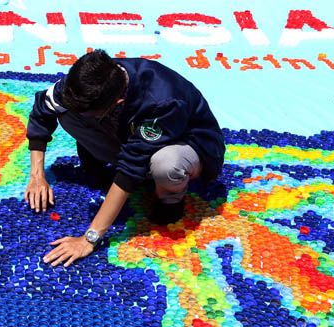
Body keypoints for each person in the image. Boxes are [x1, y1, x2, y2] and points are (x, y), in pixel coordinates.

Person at [24, 49, 225, 267]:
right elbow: (42, 110)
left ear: (118, 102)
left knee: (166, 165)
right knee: (67, 113)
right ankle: (98, 164)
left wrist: (89, 239)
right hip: (130, 134)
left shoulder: (162, 101)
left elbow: (131, 167)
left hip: (188, 145)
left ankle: (170, 199)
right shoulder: (84, 83)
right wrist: (37, 176)